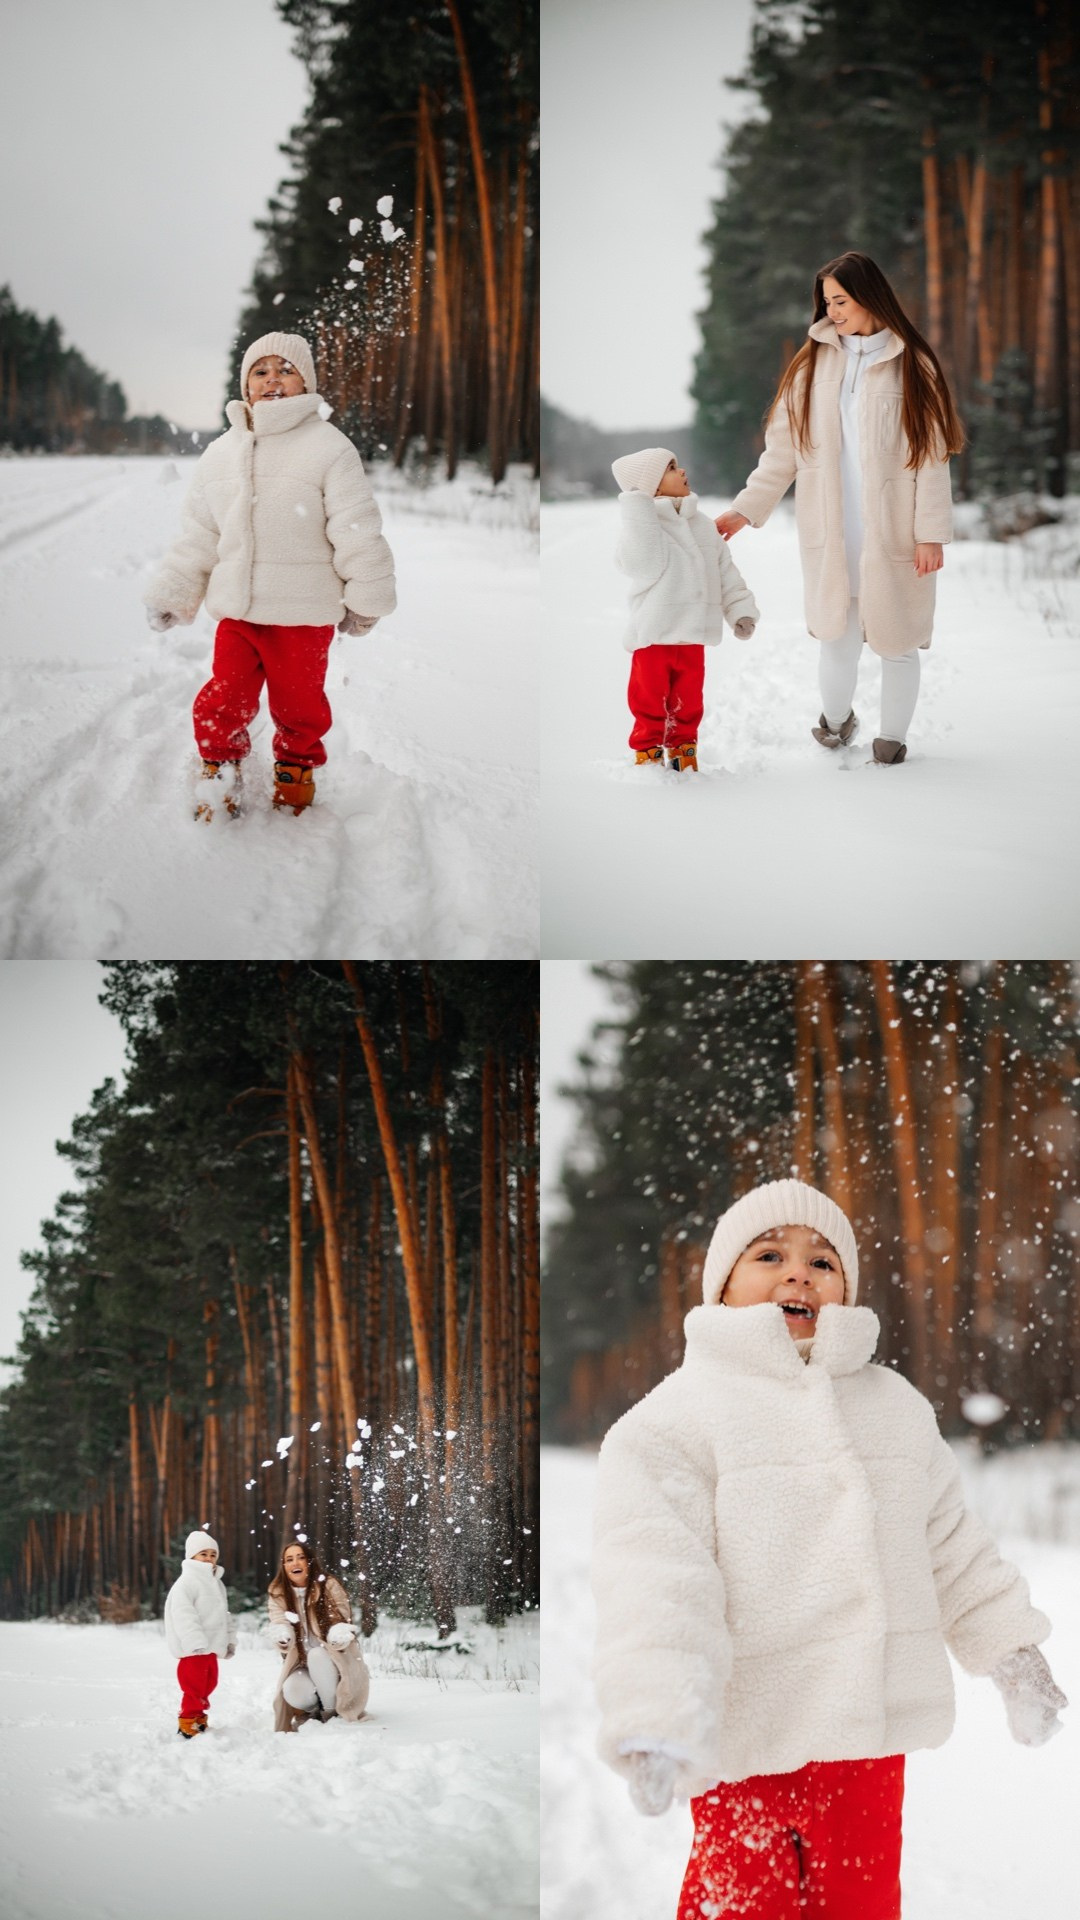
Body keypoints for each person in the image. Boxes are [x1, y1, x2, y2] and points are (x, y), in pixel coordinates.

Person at [592, 1178, 1066, 1919]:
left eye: (824, 1261)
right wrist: (655, 1711)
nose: (798, 1271)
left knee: (862, 1905)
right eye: (769, 1254)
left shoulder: (895, 1409)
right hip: (749, 1741)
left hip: (866, 1744)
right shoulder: (674, 1424)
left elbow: (951, 1547)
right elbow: (656, 1579)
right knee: (742, 1907)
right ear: (722, 1286)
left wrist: (1012, 1651)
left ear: (844, 1289)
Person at [715, 253, 964, 764]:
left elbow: (932, 457)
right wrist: (745, 510)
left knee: (897, 638)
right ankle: (834, 724)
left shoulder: (913, 364)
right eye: (827, 302)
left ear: (869, 297)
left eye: (841, 300)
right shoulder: (811, 364)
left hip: (895, 530)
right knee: (837, 633)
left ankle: (891, 741)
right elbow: (782, 450)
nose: (833, 311)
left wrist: (930, 532)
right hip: (831, 528)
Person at [144, 330, 396, 820]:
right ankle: (220, 767)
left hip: (303, 612)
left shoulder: (329, 448)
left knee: (299, 702)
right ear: (246, 386)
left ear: (307, 382)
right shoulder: (221, 452)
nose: (272, 379)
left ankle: (295, 769)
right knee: (225, 695)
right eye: (260, 371)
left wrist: (367, 596)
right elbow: (199, 532)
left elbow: (357, 528)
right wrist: (176, 590)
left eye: (286, 369)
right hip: (238, 609)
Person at [612, 448, 759, 772]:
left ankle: (683, 751)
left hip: (692, 636)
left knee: (689, 702)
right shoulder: (643, 529)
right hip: (654, 636)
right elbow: (642, 564)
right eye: (671, 468)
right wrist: (638, 506)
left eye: (677, 464)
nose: (681, 471)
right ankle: (648, 752)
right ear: (653, 487)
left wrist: (740, 611)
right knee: (648, 700)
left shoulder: (704, 526)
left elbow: (726, 574)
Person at [267, 1538, 370, 1732]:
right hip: (301, 1663)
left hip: (334, 1661)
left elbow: (340, 1616)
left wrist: (337, 1632)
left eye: (300, 1558)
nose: (295, 1563)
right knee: (292, 1689)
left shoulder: (328, 1585)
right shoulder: (279, 1592)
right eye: (289, 1559)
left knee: (317, 1654)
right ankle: (315, 1711)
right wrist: (282, 1633)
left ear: (309, 1562)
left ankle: (331, 1713)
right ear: (284, 1566)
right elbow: (278, 1619)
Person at [162, 1529, 237, 1738]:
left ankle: (199, 1717)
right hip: (194, 1649)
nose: (209, 1558)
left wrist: (229, 1640)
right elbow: (183, 1614)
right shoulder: (186, 1583)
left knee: (208, 1684)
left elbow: (224, 1615)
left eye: (213, 1555)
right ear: (192, 1556)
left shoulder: (216, 1584)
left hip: (212, 1647)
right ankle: (188, 1720)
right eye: (203, 1554)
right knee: (193, 1687)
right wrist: (193, 1640)